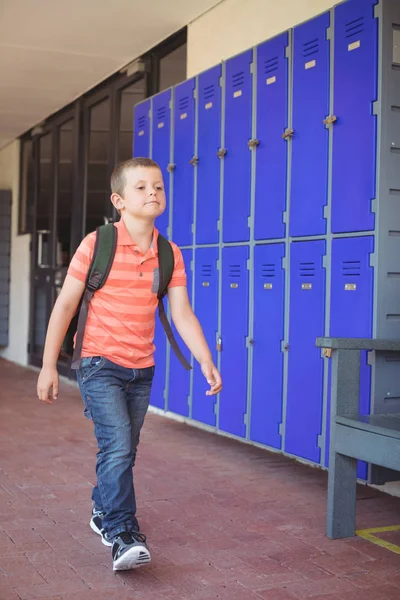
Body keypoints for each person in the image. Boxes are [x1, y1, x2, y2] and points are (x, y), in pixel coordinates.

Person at [37, 157, 222, 571]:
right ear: (119, 200)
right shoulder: (96, 243)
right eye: (141, 187)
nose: (153, 193)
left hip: (142, 369)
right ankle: (123, 534)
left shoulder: (169, 253)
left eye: (157, 186)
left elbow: (182, 313)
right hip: (99, 363)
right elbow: (66, 304)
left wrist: (206, 359)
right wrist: (49, 365)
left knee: (124, 449)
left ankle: (102, 510)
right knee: (118, 444)